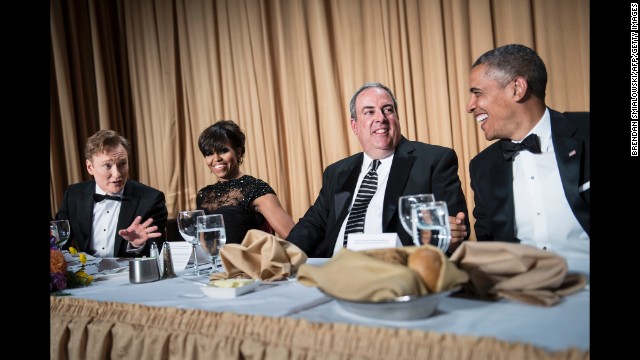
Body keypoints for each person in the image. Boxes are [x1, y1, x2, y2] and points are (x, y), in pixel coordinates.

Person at [286, 82, 470, 258]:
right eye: (369, 112)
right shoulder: (336, 172)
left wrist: (451, 238)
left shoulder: (434, 161)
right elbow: (312, 224)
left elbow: (453, 229)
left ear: (396, 118)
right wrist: (283, 255)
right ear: (355, 125)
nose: (380, 118)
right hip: (334, 266)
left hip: (396, 269)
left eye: (388, 110)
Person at [466, 44, 589, 262]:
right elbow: (489, 248)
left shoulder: (587, 131)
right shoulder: (482, 167)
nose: (470, 106)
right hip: (523, 293)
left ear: (517, 88)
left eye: (477, 93)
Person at [56, 130, 168, 258]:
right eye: (107, 166)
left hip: (129, 274)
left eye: (122, 164)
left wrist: (136, 245)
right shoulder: (73, 194)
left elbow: (157, 249)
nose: (117, 174)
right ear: (90, 167)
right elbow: (58, 241)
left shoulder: (151, 199)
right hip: (86, 275)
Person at [195, 120, 295, 244]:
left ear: (238, 152)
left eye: (223, 151)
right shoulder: (203, 194)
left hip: (244, 262)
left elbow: (293, 236)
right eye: (209, 153)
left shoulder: (256, 188)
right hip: (210, 263)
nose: (216, 159)